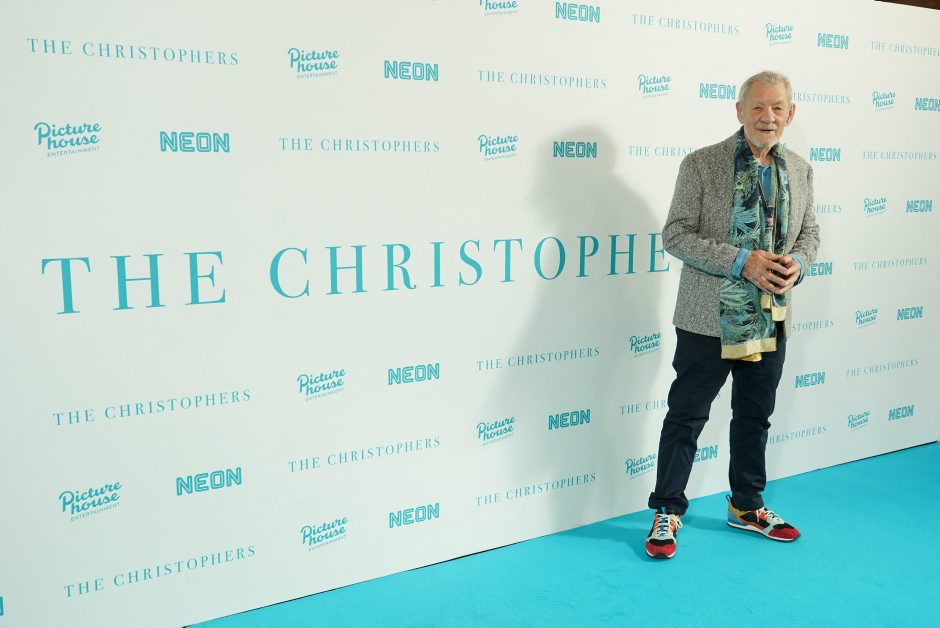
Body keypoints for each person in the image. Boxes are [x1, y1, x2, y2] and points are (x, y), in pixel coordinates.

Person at [645, 70, 820, 559]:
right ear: (739, 110)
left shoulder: (800, 169)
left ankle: (746, 505)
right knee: (687, 416)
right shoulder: (702, 164)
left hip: (770, 316)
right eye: (758, 107)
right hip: (708, 318)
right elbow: (675, 235)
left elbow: (810, 232)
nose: (768, 117)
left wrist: (798, 263)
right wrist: (744, 261)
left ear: (790, 113)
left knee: (754, 417)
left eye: (777, 107)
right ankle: (668, 509)